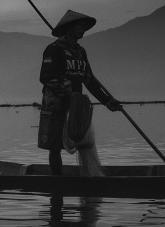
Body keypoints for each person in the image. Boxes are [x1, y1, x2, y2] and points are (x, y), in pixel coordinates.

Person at [38, 10, 121, 175]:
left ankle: (86, 178)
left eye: (84, 26)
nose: (83, 29)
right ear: (69, 28)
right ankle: (57, 182)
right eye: (79, 26)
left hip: (76, 107)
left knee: (83, 143)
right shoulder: (54, 49)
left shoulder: (80, 52)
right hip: (56, 106)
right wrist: (66, 88)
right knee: (55, 146)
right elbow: (45, 77)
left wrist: (106, 101)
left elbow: (88, 80)